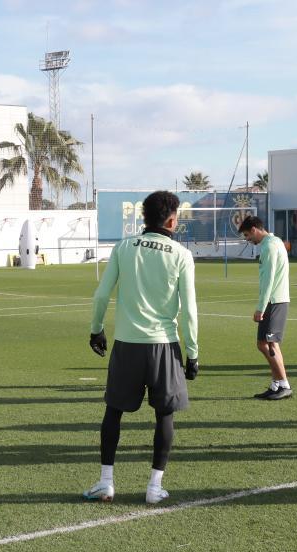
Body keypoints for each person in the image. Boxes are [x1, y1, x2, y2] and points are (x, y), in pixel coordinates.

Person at [84, 190, 198, 505]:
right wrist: (193, 353)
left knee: (113, 411)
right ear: (173, 219)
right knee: (165, 415)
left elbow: (100, 296)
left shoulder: (124, 247)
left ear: (143, 217)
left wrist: (96, 330)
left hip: (127, 345)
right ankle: (153, 488)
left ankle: (106, 483)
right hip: (164, 345)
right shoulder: (180, 254)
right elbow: (189, 309)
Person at [239, 215, 292, 400]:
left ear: (254, 229)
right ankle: (276, 384)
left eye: (247, 235)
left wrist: (260, 308)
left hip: (274, 301)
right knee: (266, 344)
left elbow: (269, 279)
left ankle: (284, 385)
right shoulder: (274, 242)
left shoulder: (269, 246)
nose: (247, 239)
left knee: (268, 344)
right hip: (275, 300)